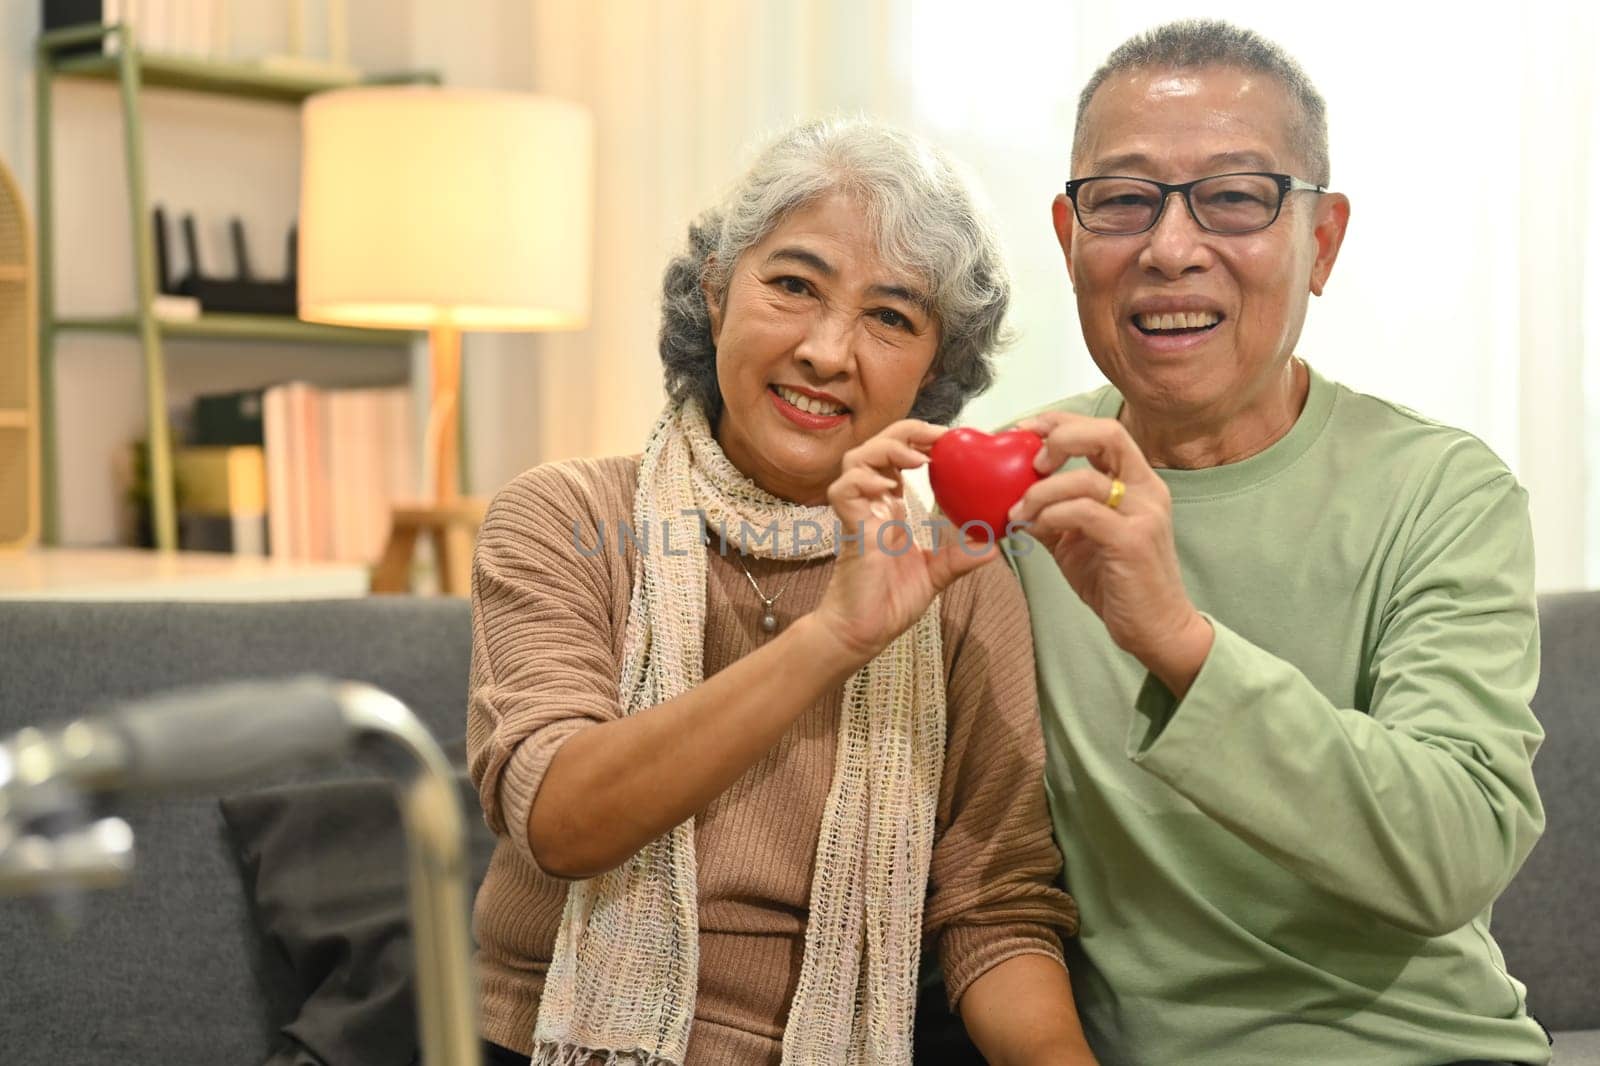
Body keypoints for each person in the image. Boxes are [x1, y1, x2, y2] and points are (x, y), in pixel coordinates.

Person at [467, 117, 1095, 1066]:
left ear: (938, 368)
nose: (828, 352)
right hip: (554, 1040)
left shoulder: (959, 583)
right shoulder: (568, 518)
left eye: (892, 317)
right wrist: (834, 636)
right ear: (717, 293)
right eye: (794, 286)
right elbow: (561, 821)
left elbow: (995, 912)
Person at [1000, 18, 1551, 1066]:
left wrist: (1175, 636)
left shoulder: (1441, 491)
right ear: (1071, 242)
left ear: (1321, 242)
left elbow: (1454, 846)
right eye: (1122, 200)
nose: (1170, 248)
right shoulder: (1022, 492)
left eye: (1235, 197)